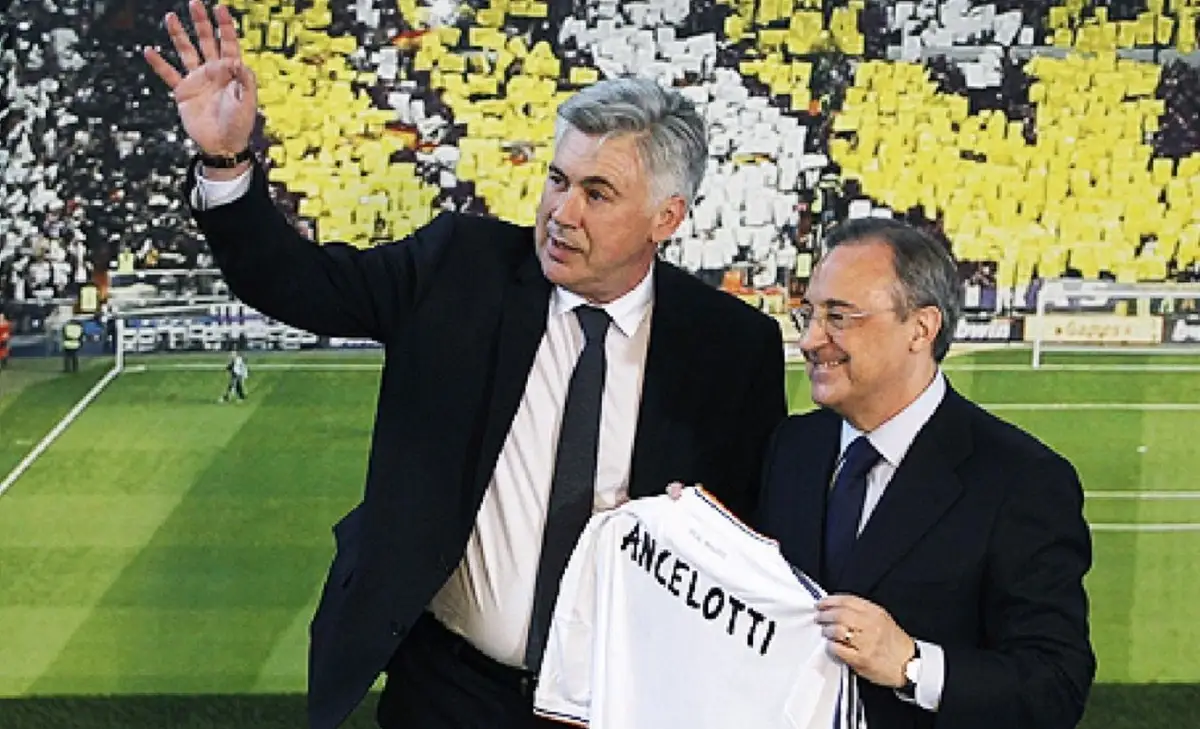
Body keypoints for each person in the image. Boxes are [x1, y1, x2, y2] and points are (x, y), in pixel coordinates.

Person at [144, 4, 787, 729]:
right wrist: (227, 162)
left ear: (666, 218)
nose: (561, 212)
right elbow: (296, 282)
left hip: (622, 703)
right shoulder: (460, 269)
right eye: (557, 179)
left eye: (597, 193)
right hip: (449, 689)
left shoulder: (732, 348)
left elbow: (753, 546)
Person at [754, 217, 1095, 729]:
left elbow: (1055, 687)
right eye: (809, 315)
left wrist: (913, 665)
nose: (809, 340)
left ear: (921, 328)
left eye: (839, 317)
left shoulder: (1021, 481)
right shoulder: (793, 446)